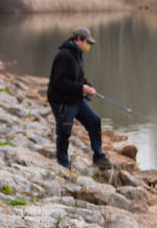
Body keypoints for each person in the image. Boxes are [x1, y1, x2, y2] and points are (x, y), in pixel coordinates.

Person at [46, 26, 110, 171]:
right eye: (88, 42)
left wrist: (89, 87)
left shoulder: (77, 54)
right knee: (64, 131)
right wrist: (82, 88)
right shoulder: (64, 55)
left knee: (94, 120)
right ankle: (63, 164)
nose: (89, 46)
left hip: (76, 98)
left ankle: (99, 156)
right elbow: (59, 82)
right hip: (62, 101)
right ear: (79, 39)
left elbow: (80, 78)